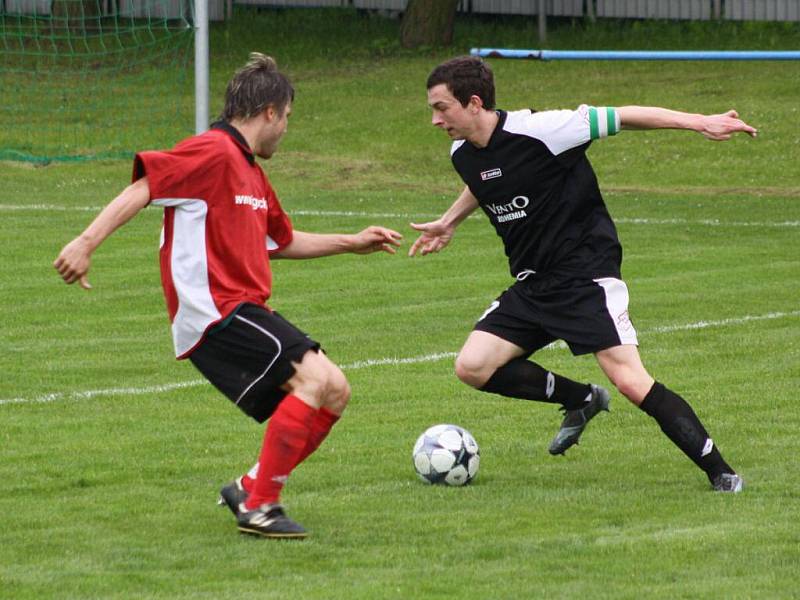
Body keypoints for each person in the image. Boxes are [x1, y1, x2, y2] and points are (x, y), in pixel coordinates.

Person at [54, 53, 403, 538]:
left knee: (335, 391)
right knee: (314, 379)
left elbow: (281, 242)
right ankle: (262, 507)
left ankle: (249, 487)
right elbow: (145, 187)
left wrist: (352, 242)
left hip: (244, 308)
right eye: (288, 120)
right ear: (270, 112)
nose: (286, 130)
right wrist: (85, 242)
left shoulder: (252, 175)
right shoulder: (212, 152)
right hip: (214, 309)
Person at [410, 55, 756, 492]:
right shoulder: (462, 153)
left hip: (585, 277)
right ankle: (582, 399)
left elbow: (625, 116)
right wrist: (450, 221)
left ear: (473, 103)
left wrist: (699, 122)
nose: (435, 120)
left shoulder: (544, 130)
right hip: (533, 284)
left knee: (631, 381)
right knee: (472, 366)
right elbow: (487, 179)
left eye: (441, 108)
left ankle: (720, 471)